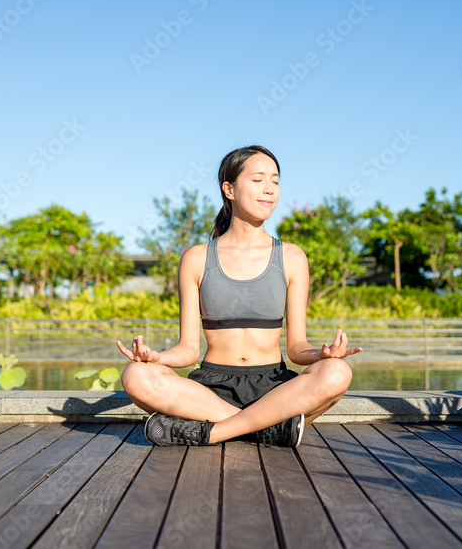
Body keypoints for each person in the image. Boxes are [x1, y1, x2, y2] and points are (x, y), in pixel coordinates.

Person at [117, 145, 362, 448]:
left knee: (337, 372)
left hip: (274, 386)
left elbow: (298, 348)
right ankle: (268, 429)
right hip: (212, 387)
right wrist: (156, 358)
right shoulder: (197, 258)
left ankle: (214, 433)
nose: (269, 189)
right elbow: (188, 349)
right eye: (258, 180)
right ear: (229, 189)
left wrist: (322, 355)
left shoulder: (292, 257)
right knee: (136, 376)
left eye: (275, 181)